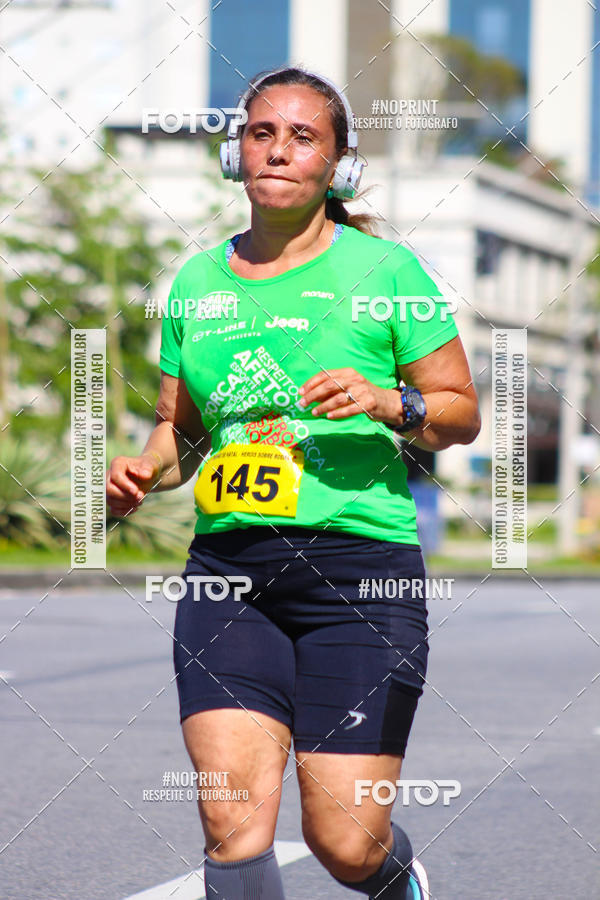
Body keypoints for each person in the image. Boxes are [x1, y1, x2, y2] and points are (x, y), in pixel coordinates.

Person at [107, 65, 480, 900]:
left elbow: (460, 413)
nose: (278, 150)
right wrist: (146, 470)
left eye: (302, 136)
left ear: (336, 165)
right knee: (233, 823)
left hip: (360, 577)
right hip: (228, 577)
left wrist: (391, 401)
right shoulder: (196, 285)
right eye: (260, 132)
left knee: (345, 841)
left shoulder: (387, 272)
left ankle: (393, 875)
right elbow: (185, 433)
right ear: (236, 154)